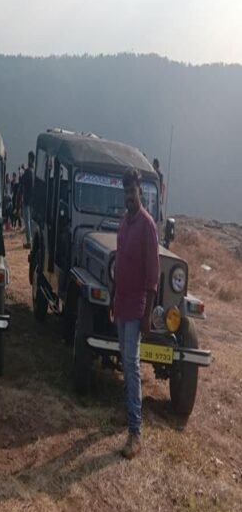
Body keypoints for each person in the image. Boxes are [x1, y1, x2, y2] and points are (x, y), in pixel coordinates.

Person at [110, 168, 159, 459]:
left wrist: (147, 315)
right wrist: (112, 298)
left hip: (137, 307)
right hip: (121, 304)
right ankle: (129, 414)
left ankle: (135, 433)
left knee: (132, 365)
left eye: (133, 191)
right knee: (125, 365)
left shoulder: (147, 226)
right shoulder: (124, 224)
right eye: (126, 191)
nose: (129, 196)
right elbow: (119, 267)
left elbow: (152, 276)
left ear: (140, 193)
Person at [19, 152, 35, 249]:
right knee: (31, 221)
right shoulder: (33, 171)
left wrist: (21, 171)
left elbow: (22, 181)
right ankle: (32, 240)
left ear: (29, 159)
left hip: (27, 200)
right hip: (33, 200)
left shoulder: (28, 171)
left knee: (27, 221)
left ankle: (29, 241)